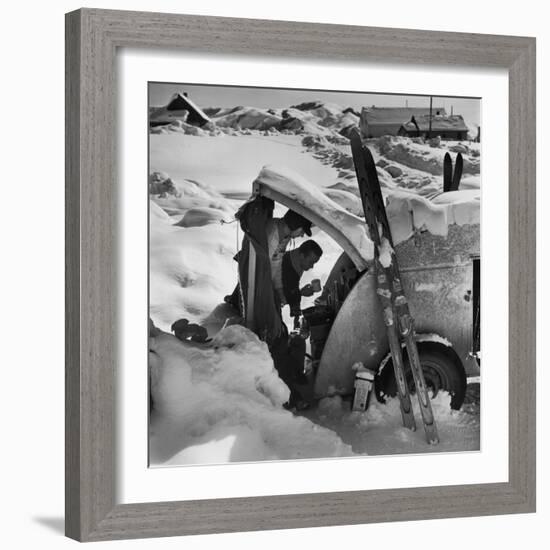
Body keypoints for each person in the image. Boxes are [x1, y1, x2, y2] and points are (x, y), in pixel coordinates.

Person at [225, 208, 313, 311]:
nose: (302, 235)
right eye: (302, 230)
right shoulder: (272, 236)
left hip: (259, 279)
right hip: (252, 278)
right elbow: (264, 271)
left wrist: (279, 289)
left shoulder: (285, 235)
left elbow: (277, 263)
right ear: (294, 225)